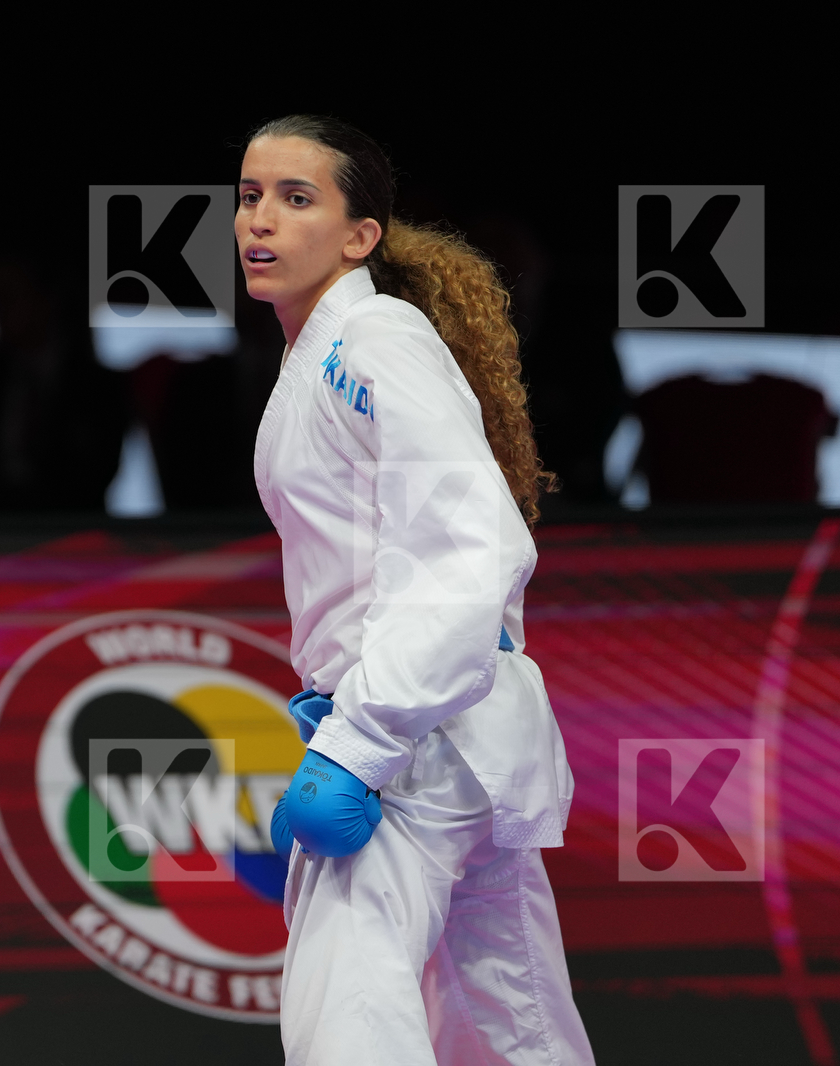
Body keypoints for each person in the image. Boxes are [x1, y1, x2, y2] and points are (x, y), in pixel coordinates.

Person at [243, 117, 594, 1064]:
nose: (259, 220)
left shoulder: (372, 337)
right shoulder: (322, 351)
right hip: (455, 736)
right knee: (513, 1026)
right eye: (249, 196)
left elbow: (474, 542)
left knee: (349, 1019)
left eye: (295, 197)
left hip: (412, 741)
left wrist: (359, 742)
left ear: (362, 236)